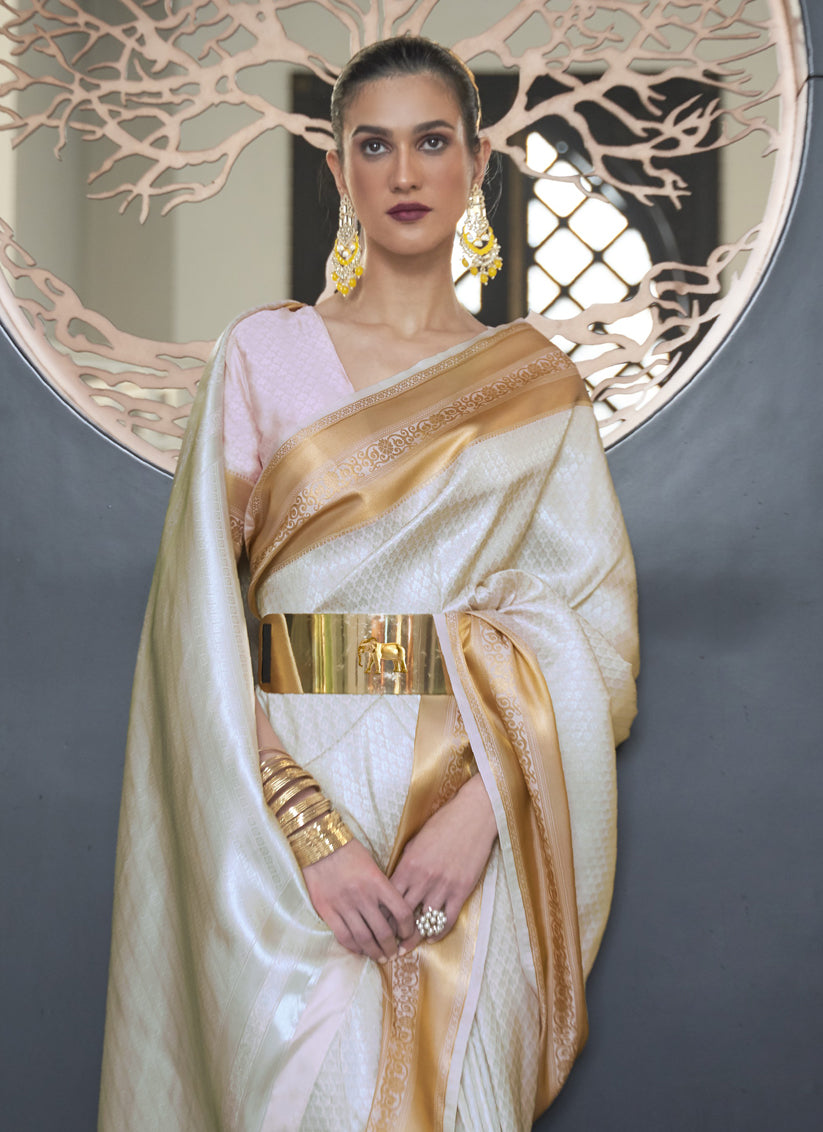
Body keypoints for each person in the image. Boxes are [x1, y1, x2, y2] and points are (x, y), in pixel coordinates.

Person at [98, 35, 638, 1132]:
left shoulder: (533, 385)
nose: (404, 172)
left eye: (431, 142)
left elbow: (598, 640)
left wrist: (482, 815)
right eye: (374, 146)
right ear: (337, 170)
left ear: (476, 162)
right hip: (279, 828)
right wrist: (309, 832)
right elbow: (196, 632)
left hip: (466, 829)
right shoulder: (264, 358)